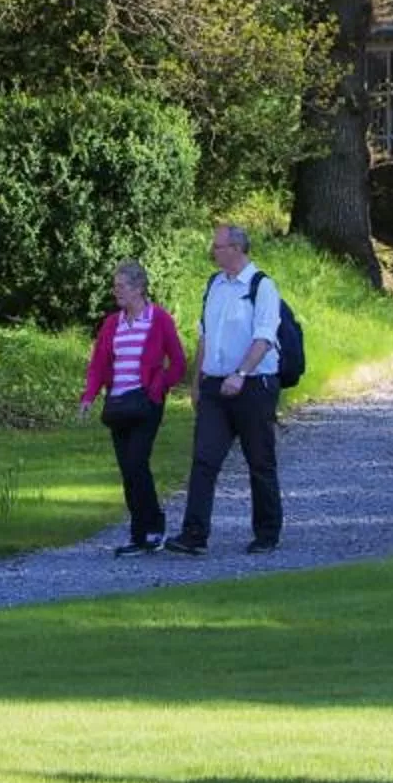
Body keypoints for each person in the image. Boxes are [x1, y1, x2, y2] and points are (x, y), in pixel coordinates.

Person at [164, 223, 282, 555]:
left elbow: (264, 337)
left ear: (236, 249)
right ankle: (194, 533)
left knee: (259, 460)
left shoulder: (262, 286)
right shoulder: (214, 284)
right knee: (204, 458)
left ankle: (267, 532)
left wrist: (241, 373)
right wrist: (197, 382)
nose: (213, 252)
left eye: (218, 247)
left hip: (254, 385)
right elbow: (205, 336)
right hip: (215, 386)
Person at [77, 261, 187, 554]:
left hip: (146, 403)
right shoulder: (112, 323)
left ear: (139, 288)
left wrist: (158, 387)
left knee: (137, 462)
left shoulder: (158, 319)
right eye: (115, 286)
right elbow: (99, 364)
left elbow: (178, 363)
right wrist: (89, 396)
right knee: (128, 469)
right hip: (118, 404)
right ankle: (139, 535)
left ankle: (154, 526)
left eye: (121, 286)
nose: (116, 292)